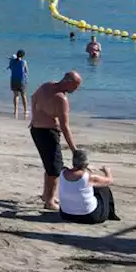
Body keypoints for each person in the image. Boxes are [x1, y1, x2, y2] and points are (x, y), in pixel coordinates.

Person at [29, 71, 84, 210]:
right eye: (76, 86)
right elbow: (65, 127)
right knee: (55, 170)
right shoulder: (61, 99)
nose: (76, 90)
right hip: (48, 133)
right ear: (69, 82)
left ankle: (46, 195)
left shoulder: (46, 86)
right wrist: (74, 150)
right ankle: (49, 201)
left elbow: (33, 98)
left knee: (49, 166)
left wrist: (35, 117)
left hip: (35, 129)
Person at [59, 149, 119, 224]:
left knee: (87, 188)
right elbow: (109, 180)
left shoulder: (62, 172)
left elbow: (70, 169)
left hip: (66, 214)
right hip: (89, 216)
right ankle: (110, 214)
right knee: (103, 188)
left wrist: (85, 167)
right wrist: (107, 171)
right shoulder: (89, 177)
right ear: (86, 164)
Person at [7, 50, 29, 118]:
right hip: (21, 80)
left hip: (13, 80)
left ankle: (15, 110)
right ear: (23, 56)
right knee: (23, 96)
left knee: (16, 95)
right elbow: (26, 71)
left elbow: (10, 67)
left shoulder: (12, 61)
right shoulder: (23, 62)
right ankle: (25, 110)